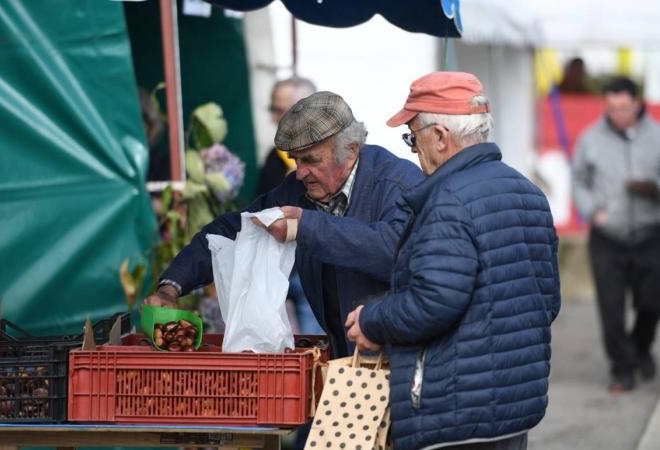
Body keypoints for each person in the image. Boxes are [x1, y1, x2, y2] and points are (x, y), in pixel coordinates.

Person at [346, 72, 561, 450]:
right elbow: (547, 300)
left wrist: (372, 319)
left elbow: (432, 303)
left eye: (413, 138)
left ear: (441, 137)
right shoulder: (527, 192)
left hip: (455, 412)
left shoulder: (448, 200)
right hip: (514, 409)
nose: (413, 150)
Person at [146, 91, 424, 358]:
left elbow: (396, 251)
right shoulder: (296, 190)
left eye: (311, 160)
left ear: (350, 151)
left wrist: (305, 226)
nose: (300, 172)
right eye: (295, 160)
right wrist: (172, 285)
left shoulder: (398, 183)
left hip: (399, 358)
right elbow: (232, 231)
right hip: (344, 358)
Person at [572, 76, 660, 392]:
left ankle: (640, 349)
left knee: (651, 304)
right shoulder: (590, 138)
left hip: (651, 235)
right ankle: (622, 369)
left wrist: (654, 189)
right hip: (607, 238)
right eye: (611, 109)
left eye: (623, 108)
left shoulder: (656, 136)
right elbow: (578, 179)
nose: (618, 115)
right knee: (611, 309)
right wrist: (593, 210)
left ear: (637, 104)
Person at [259, 76, 323, 335]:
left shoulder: (328, 157)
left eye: (281, 111)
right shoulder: (274, 158)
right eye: (273, 110)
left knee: (317, 344)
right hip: (281, 266)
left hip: (314, 267)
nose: (275, 118)